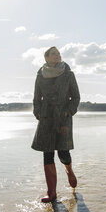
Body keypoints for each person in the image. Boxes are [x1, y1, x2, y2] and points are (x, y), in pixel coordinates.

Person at [31, 46, 80, 203]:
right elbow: (36, 98)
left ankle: (69, 170)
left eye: (58, 54)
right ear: (46, 58)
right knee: (47, 153)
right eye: (54, 54)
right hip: (46, 117)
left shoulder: (68, 74)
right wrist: (38, 113)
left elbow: (76, 97)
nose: (57, 56)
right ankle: (51, 193)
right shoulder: (40, 75)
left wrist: (68, 112)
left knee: (63, 153)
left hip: (63, 117)